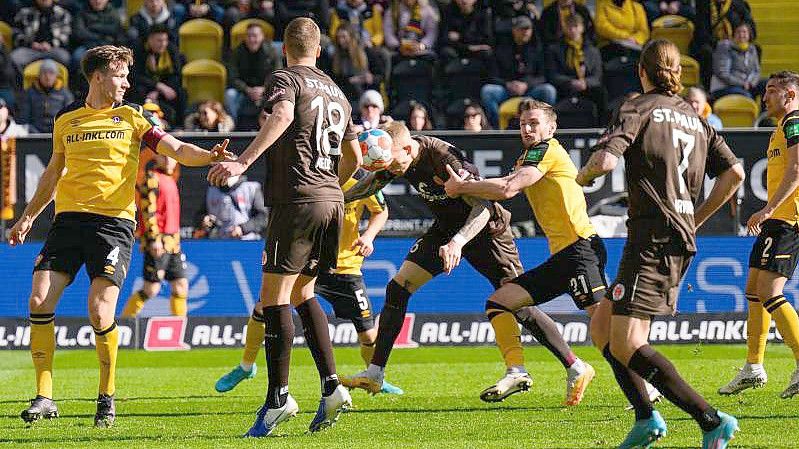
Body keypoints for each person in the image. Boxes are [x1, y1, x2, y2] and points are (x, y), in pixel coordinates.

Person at [9, 45, 231, 428]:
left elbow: (175, 148)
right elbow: (52, 174)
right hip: (68, 221)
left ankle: (105, 396)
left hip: (113, 224)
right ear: (98, 76)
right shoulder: (66, 119)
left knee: (99, 310)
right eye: (120, 75)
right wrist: (28, 218)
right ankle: (45, 397)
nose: (127, 82)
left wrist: (209, 156)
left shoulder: (134, 117)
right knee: (39, 299)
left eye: (127, 75)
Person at [341, 121, 595, 405]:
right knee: (398, 289)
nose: (390, 170)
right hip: (446, 228)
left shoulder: (444, 158)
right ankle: (376, 373)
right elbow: (373, 182)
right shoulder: (396, 154)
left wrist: (458, 243)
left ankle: (574, 366)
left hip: (487, 232)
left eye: (392, 164)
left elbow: (482, 206)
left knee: (517, 304)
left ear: (409, 148)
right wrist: (338, 198)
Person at [575, 39, 745, 449]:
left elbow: (604, 162)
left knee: (629, 342)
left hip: (653, 238)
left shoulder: (637, 106)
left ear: (642, 72)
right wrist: (695, 219)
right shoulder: (697, 118)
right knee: (603, 327)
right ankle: (646, 417)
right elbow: (736, 173)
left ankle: (710, 420)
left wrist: (582, 178)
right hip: (668, 235)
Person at [206, 17, 362, 437]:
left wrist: (241, 162)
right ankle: (332, 387)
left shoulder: (286, 78)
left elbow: (282, 115)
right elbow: (356, 159)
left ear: (284, 48)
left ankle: (278, 398)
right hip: (331, 200)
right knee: (303, 292)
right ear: (320, 48)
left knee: (273, 300)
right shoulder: (338, 93)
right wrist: (333, 186)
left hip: (297, 198)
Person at [443, 98, 607, 407]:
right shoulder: (527, 158)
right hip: (564, 256)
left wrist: (463, 188)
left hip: (580, 249)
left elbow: (507, 189)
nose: (527, 129)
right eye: (522, 124)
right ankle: (526, 370)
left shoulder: (546, 150)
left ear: (551, 127)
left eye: (534, 123)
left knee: (606, 331)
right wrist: (471, 185)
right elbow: (502, 186)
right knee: (499, 302)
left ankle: (650, 388)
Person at [215, 173, 403, 395]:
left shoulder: (362, 180)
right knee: (263, 308)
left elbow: (381, 211)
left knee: (369, 335)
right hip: (307, 260)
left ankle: (375, 377)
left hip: (345, 268)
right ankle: (246, 367)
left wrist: (369, 236)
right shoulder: (316, 175)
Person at [718, 71, 799, 400]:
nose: (764, 97)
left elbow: (796, 170)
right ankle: (753, 366)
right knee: (753, 288)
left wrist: (768, 210)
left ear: (789, 95)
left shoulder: (794, 122)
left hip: (787, 219)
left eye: (771, 91)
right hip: (776, 219)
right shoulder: (781, 126)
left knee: (768, 290)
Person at [120, 154, 189, 318]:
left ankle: (179, 331)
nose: (169, 161)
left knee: (181, 286)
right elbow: (147, 210)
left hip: (174, 244)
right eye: (165, 157)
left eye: (172, 157)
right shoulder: (151, 178)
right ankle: (124, 324)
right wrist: (153, 239)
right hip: (158, 242)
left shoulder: (170, 179)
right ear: (156, 158)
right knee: (151, 289)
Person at [480, 16, 557, 128]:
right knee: (488, 91)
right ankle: (497, 128)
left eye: (528, 29)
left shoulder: (538, 49)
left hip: (530, 90)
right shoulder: (501, 49)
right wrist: (507, 84)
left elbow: (543, 76)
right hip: (507, 90)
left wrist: (526, 84)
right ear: (514, 30)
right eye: (522, 29)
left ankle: (545, 126)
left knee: (549, 90)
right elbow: (492, 76)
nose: (525, 32)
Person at [545, 14, 607, 119]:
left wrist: (585, 83)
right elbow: (553, 74)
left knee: (601, 92)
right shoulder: (554, 49)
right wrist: (571, 82)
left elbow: (597, 76)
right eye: (569, 27)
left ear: (582, 28)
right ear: (564, 28)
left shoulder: (592, 50)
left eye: (576, 26)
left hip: (587, 87)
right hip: (565, 86)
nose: (573, 30)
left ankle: (602, 126)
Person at [224, 22, 282, 125]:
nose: (251, 39)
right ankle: (233, 125)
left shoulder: (271, 51)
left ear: (262, 37)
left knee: (280, 93)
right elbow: (232, 78)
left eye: (255, 36)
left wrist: (264, 88)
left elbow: (278, 74)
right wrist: (247, 89)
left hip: (266, 89)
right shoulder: (237, 52)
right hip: (244, 90)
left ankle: (273, 126)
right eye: (249, 36)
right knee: (230, 95)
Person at [131, 24, 185, 125]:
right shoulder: (139, 50)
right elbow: (135, 75)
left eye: (165, 40)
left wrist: (159, 90)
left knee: (181, 93)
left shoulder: (171, 50)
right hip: (145, 88)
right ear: (150, 39)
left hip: (166, 88)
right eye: (159, 40)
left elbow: (177, 75)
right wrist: (156, 86)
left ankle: (179, 125)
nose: (163, 44)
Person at [195, 175, 267, 240]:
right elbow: (199, 216)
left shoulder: (252, 188)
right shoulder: (211, 190)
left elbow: (263, 217)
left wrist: (243, 228)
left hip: (247, 243)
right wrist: (204, 220)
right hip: (218, 244)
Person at [10, 0, 72, 70]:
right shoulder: (24, 12)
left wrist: (51, 44)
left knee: (65, 58)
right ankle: (22, 80)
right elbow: (16, 33)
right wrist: (30, 44)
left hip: (52, 50)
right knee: (14, 58)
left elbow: (65, 35)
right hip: (30, 49)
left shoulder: (62, 13)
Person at [18, 59, 74, 133]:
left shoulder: (65, 94)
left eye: (51, 73)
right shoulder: (29, 93)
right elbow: (24, 119)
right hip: (35, 133)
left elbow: (70, 117)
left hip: (57, 132)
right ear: (39, 76)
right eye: (44, 73)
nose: (47, 77)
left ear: (56, 76)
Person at [710, 23, 762, 101]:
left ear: (749, 35)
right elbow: (722, 73)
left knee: (768, 86)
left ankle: (765, 112)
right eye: (738, 32)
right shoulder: (724, 47)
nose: (741, 35)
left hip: (746, 85)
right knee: (746, 96)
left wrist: (751, 83)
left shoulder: (752, 48)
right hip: (725, 86)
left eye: (744, 32)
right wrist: (742, 83)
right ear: (733, 34)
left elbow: (756, 71)